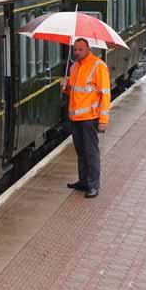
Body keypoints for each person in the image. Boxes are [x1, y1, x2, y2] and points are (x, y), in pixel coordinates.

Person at [60, 38, 111, 198]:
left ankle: (93, 185)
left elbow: (105, 94)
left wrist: (103, 121)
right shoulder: (74, 67)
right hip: (75, 118)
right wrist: (66, 87)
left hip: (90, 118)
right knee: (80, 151)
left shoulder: (98, 66)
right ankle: (83, 181)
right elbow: (75, 92)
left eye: (80, 49)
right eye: (75, 49)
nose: (76, 52)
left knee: (91, 152)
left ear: (88, 49)